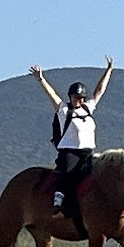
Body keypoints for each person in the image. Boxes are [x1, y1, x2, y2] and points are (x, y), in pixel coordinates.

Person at [29, 56, 114, 218]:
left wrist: (108, 71)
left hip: (88, 152)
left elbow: (99, 91)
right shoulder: (63, 110)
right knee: (66, 174)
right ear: (70, 97)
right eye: (76, 97)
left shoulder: (88, 109)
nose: (79, 100)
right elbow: (51, 94)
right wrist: (41, 79)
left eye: (81, 98)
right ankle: (58, 204)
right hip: (70, 152)